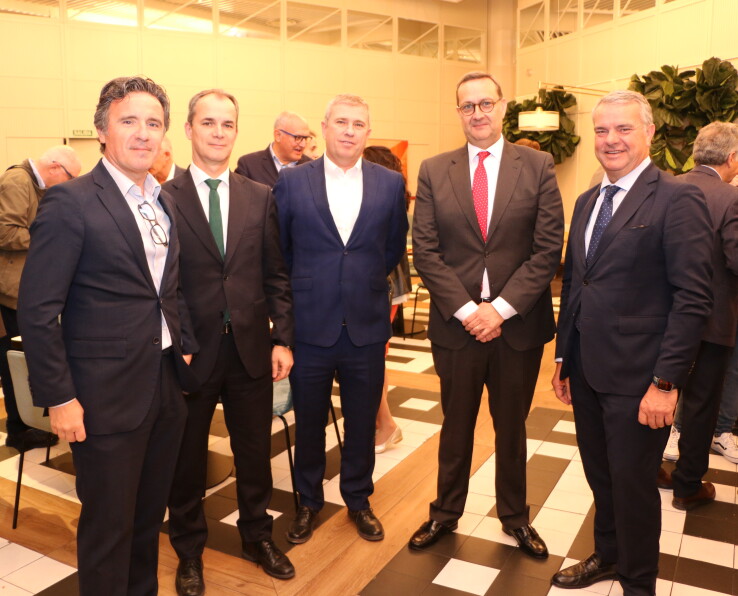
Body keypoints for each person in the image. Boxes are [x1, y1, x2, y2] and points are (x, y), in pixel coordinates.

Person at [17, 76, 200, 596]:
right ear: (101, 131)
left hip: (164, 387)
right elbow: (37, 310)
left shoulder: (162, 200)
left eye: (153, 123)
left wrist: (184, 343)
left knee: (147, 522)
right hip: (102, 397)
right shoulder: (70, 201)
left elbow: (170, 287)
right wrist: (60, 397)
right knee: (108, 529)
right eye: (129, 121)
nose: (143, 133)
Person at [551, 90, 713, 595]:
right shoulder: (587, 200)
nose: (611, 140)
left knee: (634, 485)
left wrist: (666, 383)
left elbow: (693, 298)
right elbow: (576, 284)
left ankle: (638, 583)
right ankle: (608, 555)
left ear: (649, 133)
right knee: (601, 476)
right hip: (587, 368)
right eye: (602, 130)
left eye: (624, 129)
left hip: (641, 378)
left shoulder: (677, 197)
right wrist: (563, 356)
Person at [409, 71, 564, 559]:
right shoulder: (434, 170)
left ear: (502, 107)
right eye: (467, 105)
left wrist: (497, 310)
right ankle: (444, 513)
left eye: (485, 103)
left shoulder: (537, 166)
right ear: (458, 112)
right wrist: (467, 311)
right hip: (456, 327)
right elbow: (426, 250)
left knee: (512, 428)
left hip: (517, 326)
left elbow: (546, 249)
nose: (477, 113)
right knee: (455, 425)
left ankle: (515, 517)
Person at [165, 89, 295, 594]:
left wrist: (282, 338)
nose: (218, 132)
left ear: (237, 131)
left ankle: (257, 535)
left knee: (255, 451)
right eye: (208, 123)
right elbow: (163, 282)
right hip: (192, 351)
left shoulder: (259, 196)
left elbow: (275, 273)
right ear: (189, 129)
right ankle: (189, 550)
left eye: (227, 124)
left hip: (250, 349)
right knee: (187, 457)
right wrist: (180, 339)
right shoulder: (165, 197)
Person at [274, 94, 407, 544]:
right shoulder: (293, 182)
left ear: (368, 132)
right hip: (311, 325)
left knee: (362, 420)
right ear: (326, 127)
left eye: (359, 124)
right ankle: (308, 502)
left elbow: (392, 247)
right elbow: (281, 251)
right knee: (310, 422)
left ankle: (358, 499)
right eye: (342, 122)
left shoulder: (390, 184)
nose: (350, 131)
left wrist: (359, 282)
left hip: (366, 325)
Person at [657, 122, 738, 507]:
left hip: (662, 318)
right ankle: (688, 485)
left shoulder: (665, 187)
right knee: (701, 403)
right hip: (712, 319)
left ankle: (650, 468)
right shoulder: (731, 198)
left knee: (658, 393)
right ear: (732, 157)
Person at [0, 145, 81, 451]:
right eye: (71, 178)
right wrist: (49, 237)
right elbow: (5, 232)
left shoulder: (34, 184)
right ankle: (20, 428)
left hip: (20, 289)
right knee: (16, 363)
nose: (71, 185)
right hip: (10, 293)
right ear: (55, 167)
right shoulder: (18, 181)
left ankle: (27, 422)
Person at [362, 145, 411, 453]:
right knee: (376, 357)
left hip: (383, 285)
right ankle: (379, 422)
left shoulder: (381, 196)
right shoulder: (393, 193)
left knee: (371, 359)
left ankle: (387, 424)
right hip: (390, 284)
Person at [235, 111, 312, 187]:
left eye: (306, 138)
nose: (303, 144)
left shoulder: (311, 167)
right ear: (278, 135)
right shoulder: (249, 165)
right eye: (298, 138)